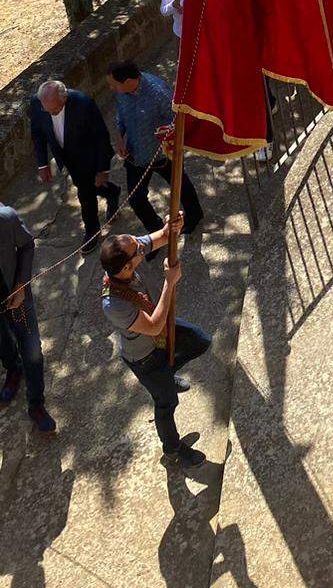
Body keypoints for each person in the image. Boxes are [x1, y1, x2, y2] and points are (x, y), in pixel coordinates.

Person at [100, 216, 209, 467]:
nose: (141, 247)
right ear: (127, 267)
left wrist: (173, 227)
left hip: (159, 338)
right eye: (137, 252)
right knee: (167, 402)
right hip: (145, 358)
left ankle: (167, 374)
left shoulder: (125, 255)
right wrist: (169, 283)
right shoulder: (113, 304)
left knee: (200, 341)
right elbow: (153, 326)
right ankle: (172, 450)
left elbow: (158, 237)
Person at [107, 61, 204, 237]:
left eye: (113, 85)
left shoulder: (159, 93)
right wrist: (120, 136)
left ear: (128, 81)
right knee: (136, 199)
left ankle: (194, 215)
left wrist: (167, 136)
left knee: (180, 185)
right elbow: (121, 115)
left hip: (163, 155)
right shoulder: (122, 93)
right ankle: (157, 231)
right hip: (135, 154)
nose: (111, 88)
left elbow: (176, 121)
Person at [30, 78, 119, 253]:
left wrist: (103, 169)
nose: (51, 113)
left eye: (55, 109)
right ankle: (111, 191)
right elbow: (38, 134)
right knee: (86, 186)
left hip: (88, 156)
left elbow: (101, 136)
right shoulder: (37, 104)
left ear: (64, 99)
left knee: (85, 194)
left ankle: (92, 230)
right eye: (47, 110)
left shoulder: (84, 103)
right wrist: (42, 164)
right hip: (66, 157)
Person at [0, 202, 55, 432]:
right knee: (2, 343)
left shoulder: (6, 218)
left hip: (18, 297)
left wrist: (21, 284)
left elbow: (26, 245)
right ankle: (13, 369)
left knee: (32, 351)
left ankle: (36, 404)